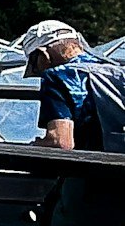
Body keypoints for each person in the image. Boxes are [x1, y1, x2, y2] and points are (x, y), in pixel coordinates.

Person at [22, 20, 125, 151]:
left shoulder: (57, 76)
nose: (38, 72)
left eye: (34, 66)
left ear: (43, 55)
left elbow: (60, 142)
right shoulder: (114, 71)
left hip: (95, 165)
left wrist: (34, 145)